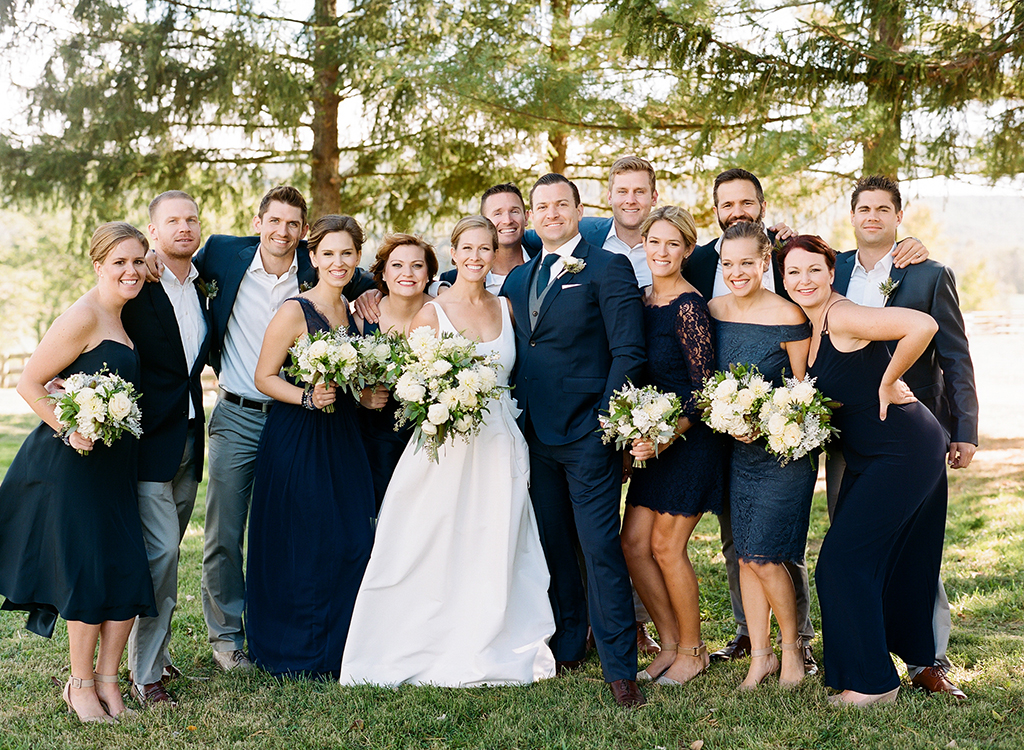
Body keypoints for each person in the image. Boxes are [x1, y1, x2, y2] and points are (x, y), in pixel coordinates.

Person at [692, 168, 928, 671]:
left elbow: (806, 385)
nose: (737, 210)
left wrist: (906, 245)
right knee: (746, 550)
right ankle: (757, 646)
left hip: (825, 444)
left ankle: (807, 647)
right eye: (726, 203)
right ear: (714, 211)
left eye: (746, 202)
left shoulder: (803, 290)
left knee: (821, 552)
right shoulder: (703, 278)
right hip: (746, 445)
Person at [340, 215, 556, 686]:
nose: (476, 257)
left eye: (485, 248)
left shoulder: (507, 307)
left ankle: (490, 638)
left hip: (499, 441)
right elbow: (413, 385)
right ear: (453, 254)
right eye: (467, 249)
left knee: (495, 540)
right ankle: (418, 640)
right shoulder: (430, 314)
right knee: (430, 540)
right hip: (445, 442)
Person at [0, 222, 158, 723]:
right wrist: (69, 428)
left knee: (127, 572)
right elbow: (30, 381)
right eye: (119, 262)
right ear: (98, 265)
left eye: (137, 261)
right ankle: (80, 685)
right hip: (74, 465)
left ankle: (111, 685)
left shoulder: (123, 315)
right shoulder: (84, 315)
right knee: (89, 576)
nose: (130, 271)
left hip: (115, 468)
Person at [502, 173, 647, 708]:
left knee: (600, 548)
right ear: (532, 216)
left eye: (561, 205)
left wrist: (605, 422)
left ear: (578, 209)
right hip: (534, 433)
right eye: (541, 206)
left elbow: (629, 352)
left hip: (588, 432)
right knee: (555, 546)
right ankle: (568, 642)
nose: (550, 213)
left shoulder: (609, 268)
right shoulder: (519, 278)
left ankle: (619, 667)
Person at [830, 175, 978, 700]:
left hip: (913, 429)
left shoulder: (929, 272)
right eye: (863, 208)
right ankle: (865, 649)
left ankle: (928, 659)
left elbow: (955, 357)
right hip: (849, 433)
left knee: (919, 545)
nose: (872, 217)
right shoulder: (833, 269)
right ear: (852, 217)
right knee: (856, 542)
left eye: (882, 209)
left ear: (898, 217)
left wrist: (964, 430)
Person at [784, 234, 947, 706]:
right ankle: (879, 664)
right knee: (886, 560)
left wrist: (888, 379)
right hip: (872, 454)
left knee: (841, 562)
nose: (804, 279)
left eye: (814, 269)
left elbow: (922, 324)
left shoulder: (841, 314)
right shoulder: (811, 327)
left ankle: (874, 685)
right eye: (793, 272)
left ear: (831, 273)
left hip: (904, 448)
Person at [244, 214, 376, 678]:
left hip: (343, 437)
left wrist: (363, 394)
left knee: (352, 539)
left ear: (357, 258)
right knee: (304, 539)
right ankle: (294, 648)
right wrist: (304, 395)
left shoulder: (357, 312)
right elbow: (264, 377)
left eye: (347, 254)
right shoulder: (294, 311)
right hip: (298, 437)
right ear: (313, 257)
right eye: (328, 254)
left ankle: (340, 645)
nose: (337, 262)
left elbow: (356, 380)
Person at [192, 185, 312, 671]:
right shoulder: (223, 252)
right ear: (259, 221)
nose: (283, 232)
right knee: (224, 530)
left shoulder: (314, 266)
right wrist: (154, 258)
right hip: (236, 414)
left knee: (289, 527)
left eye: (293, 224)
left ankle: (281, 625)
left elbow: (363, 273)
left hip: (295, 419)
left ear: (303, 231)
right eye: (275, 221)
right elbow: (179, 262)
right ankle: (225, 638)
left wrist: (369, 291)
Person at [619, 206, 725, 687]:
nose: (662, 252)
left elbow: (704, 390)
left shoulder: (689, 306)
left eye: (672, 244)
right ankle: (667, 643)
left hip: (688, 440)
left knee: (666, 547)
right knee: (633, 545)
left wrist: (667, 431)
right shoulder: (640, 301)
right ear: (643, 244)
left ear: (686, 249)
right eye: (654, 242)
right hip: (650, 441)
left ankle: (693, 650)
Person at [707, 222, 816, 689]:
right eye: (728, 264)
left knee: (767, 556)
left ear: (764, 261)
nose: (737, 272)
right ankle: (760, 655)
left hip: (783, 455)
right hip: (736, 453)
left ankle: (792, 652)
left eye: (747, 262)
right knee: (747, 557)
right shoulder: (712, 311)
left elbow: (804, 392)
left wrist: (770, 420)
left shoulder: (790, 316)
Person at [122, 191, 211, 708]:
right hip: (147, 443)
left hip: (189, 441)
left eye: (191, 219)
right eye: (172, 221)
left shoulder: (206, 287)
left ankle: (153, 651)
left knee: (167, 554)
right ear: (153, 232)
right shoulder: (139, 283)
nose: (184, 227)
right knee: (161, 556)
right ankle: (145, 674)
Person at [352, 233, 437, 510]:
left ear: (429, 274)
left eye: (417, 265)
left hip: (433, 441)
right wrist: (361, 395)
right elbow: (346, 378)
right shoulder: (363, 319)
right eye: (397, 265)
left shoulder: (444, 313)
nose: (407, 273)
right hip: (375, 442)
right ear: (384, 274)